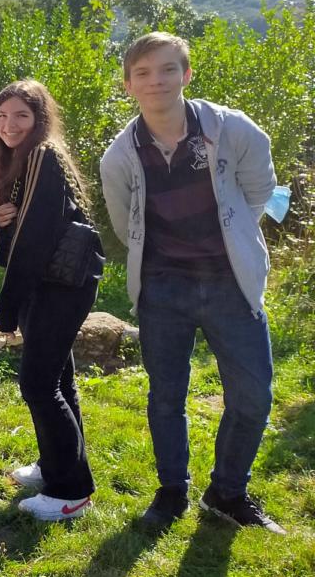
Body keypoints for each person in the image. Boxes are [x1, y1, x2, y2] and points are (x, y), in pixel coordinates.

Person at [100, 32, 284, 533]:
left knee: (253, 396)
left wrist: (231, 239)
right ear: (128, 85)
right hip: (163, 287)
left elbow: (259, 192)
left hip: (231, 282)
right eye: (142, 73)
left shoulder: (233, 130)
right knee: (166, 396)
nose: (155, 81)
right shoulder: (120, 155)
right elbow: (125, 223)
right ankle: (171, 491)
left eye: (166, 69)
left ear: (186, 74)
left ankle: (227, 491)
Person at [0, 80, 103, 520]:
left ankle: (71, 492)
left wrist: (6, 305)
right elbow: (15, 229)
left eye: (21, 116)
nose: (9, 125)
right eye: (1, 116)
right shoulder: (18, 162)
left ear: (39, 120)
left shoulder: (41, 155)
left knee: (38, 384)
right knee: (58, 380)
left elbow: (34, 241)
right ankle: (57, 466)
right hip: (52, 284)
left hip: (58, 287)